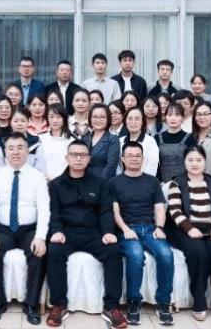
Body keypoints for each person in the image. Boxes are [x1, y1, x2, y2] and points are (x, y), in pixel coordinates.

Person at [46, 140, 127, 329]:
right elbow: (53, 212)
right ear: (67, 158)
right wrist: (56, 231)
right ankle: (59, 305)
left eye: (82, 155)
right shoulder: (55, 185)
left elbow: (105, 211)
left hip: (93, 233)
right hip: (66, 233)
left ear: (89, 159)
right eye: (74, 154)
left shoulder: (100, 183)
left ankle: (111, 307)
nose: (78, 158)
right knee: (54, 251)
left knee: (114, 250)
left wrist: (108, 232)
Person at [0, 133, 50, 325]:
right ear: (5, 152)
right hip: (4, 230)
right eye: (11, 148)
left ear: (27, 151)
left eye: (20, 147)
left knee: (38, 253)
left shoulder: (37, 177)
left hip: (29, 230)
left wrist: (40, 237)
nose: (15, 152)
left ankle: (31, 304)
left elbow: (44, 210)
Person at [111, 141, 174, 326]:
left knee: (166, 254)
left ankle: (163, 302)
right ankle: (134, 302)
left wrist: (160, 227)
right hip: (127, 229)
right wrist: (125, 229)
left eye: (137, 155)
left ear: (143, 158)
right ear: (123, 159)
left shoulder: (152, 181)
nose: (134, 159)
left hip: (150, 228)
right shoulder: (114, 182)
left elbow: (159, 208)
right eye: (130, 156)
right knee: (136, 256)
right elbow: (115, 212)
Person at [167, 146, 211, 322]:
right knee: (198, 253)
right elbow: (175, 211)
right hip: (186, 230)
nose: (195, 164)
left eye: (198, 160)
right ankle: (199, 302)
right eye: (190, 160)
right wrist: (189, 228)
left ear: (205, 162)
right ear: (184, 162)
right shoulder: (176, 183)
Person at [0, 106, 47, 174]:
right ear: (10, 122)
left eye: (23, 121)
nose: (19, 124)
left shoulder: (35, 142)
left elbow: (41, 166)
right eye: (15, 121)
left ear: (28, 122)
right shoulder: (3, 142)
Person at [154, 102, 197, 182]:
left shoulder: (190, 138)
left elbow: (193, 163)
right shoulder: (157, 138)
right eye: (170, 115)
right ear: (165, 117)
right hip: (162, 183)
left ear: (182, 117)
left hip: (185, 183)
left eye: (177, 115)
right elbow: (155, 164)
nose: (173, 118)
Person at [82, 104, 121, 181]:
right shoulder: (85, 138)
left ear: (108, 119)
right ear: (90, 119)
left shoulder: (113, 139)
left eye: (102, 117)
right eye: (95, 117)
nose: (98, 120)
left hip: (103, 183)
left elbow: (111, 167)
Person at [118, 106, 159, 177]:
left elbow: (152, 166)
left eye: (137, 119)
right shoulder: (120, 141)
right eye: (130, 119)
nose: (133, 122)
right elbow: (118, 167)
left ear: (142, 122)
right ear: (125, 121)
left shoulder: (150, 141)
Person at [39, 103, 75, 180]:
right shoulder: (41, 139)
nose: (55, 120)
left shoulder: (72, 141)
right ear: (47, 118)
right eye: (51, 117)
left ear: (64, 118)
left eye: (58, 117)